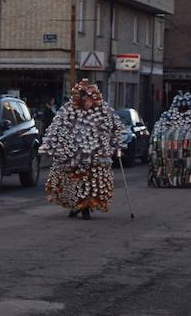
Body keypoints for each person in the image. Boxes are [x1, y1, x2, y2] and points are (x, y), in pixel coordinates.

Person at [39, 80, 127, 219]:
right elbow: (56, 128)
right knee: (75, 181)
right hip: (73, 155)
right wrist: (51, 146)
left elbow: (115, 128)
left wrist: (117, 144)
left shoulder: (103, 111)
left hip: (96, 155)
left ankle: (84, 207)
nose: (88, 103)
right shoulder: (68, 111)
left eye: (90, 99)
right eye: (85, 99)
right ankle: (78, 206)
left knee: (90, 180)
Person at [147, 91, 191, 188]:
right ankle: (165, 177)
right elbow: (159, 129)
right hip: (169, 147)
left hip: (190, 149)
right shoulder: (167, 117)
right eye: (180, 107)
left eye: (185, 107)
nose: (182, 110)